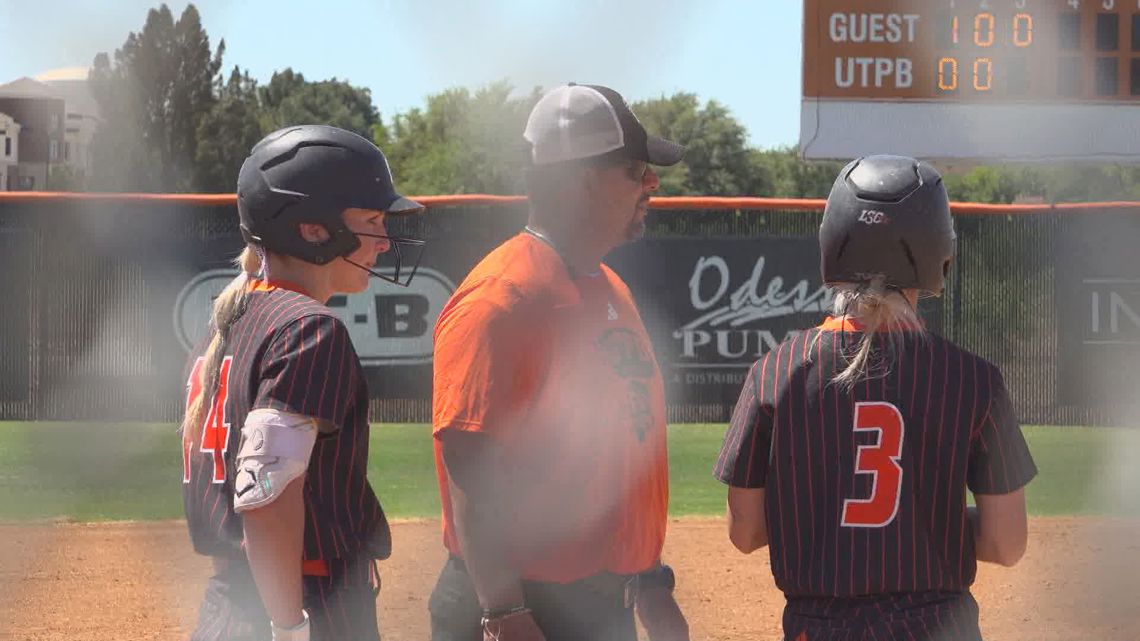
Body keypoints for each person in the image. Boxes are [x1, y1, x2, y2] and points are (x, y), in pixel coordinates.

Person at [714, 155, 1038, 641]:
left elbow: (746, 534)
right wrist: (917, 522)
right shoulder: (975, 380)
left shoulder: (772, 374)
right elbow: (1006, 543)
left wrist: (832, 520)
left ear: (832, 245)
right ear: (936, 253)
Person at [428, 83, 690, 641]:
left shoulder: (608, 286)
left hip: (599, 599)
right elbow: (470, 463)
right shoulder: (502, 297)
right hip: (525, 606)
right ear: (582, 180)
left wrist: (650, 581)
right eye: (635, 170)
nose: (652, 184)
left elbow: (623, 447)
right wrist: (503, 610)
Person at [180, 124, 425, 641]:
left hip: (229, 608)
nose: (384, 241)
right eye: (372, 221)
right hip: (307, 603)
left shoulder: (226, 323)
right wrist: (289, 626)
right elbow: (266, 492)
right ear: (312, 230)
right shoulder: (309, 328)